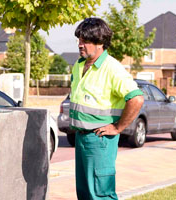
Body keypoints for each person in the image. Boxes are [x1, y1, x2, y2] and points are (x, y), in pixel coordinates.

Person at [70, 18, 144, 200]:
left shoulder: (112, 68)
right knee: (85, 193)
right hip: (81, 138)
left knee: (100, 193)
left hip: (99, 140)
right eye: (79, 40)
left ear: (100, 43)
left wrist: (118, 127)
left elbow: (136, 98)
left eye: (85, 41)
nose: (80, 45)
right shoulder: (79, 65)